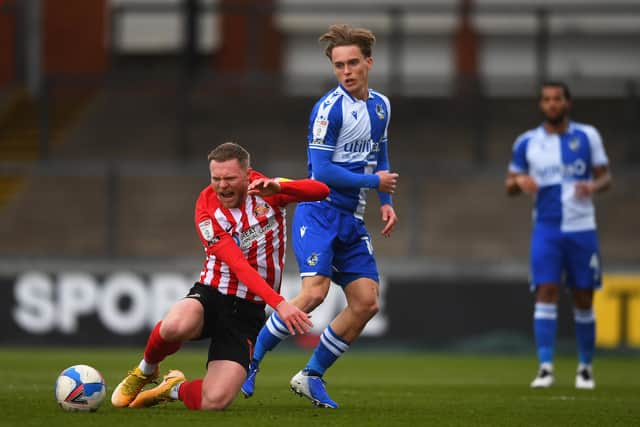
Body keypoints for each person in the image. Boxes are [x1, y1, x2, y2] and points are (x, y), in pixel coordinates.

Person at [241, 24, 398, 408]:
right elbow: (323, 174)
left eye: (353, 63)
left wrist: (384, 199)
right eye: (339, 65)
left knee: (366, 303)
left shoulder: (381, 105)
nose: (346, 71)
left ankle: (311, 376)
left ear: (369, 63)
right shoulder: (329, 110)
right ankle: (250, 361)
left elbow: (380, 152)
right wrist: (372, 179)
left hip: (352, 217)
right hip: (319, 212)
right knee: (314, 294)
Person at [110, 142, 329, 410]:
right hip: (212, 294)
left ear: (247, 175)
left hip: (247, 312)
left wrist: (282, 187)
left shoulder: (267, 189)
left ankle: (172, 388)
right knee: (173, 326)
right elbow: (238, 264)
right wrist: (280, 303)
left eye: (229, 178)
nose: (222, 185)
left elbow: (321, 190)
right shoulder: (206, 207)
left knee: (215, 402)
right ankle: (146, 370)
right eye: (216, 179)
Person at [505, 81, 612, 390]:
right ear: (541, 105)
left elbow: (606, 176)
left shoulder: (588, 136)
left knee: (583, 296)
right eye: (547, 100)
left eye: (557, 99)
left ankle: (585, 368)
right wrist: (520, 182)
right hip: (547, 230)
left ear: (567, 102)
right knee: (546, 292)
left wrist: (594, 186)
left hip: (582, 229)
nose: (552, 104)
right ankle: (546, 367)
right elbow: (510, 184)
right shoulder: (527, 142)